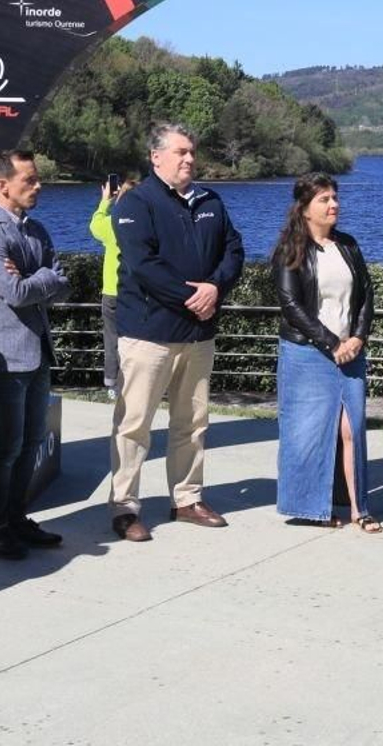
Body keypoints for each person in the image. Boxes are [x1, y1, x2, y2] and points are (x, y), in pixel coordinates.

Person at [108, 123, 244, 542]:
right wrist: (194, 296)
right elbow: (143, 265)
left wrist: (216, 287)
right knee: (134, 425)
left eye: (192, 152)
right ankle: (125, 508)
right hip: (148, 334)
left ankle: (187, 499)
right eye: (181, 152)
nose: (189, 159)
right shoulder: (135, 203)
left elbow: (234, 249)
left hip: (198, 336)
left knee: (193, 423)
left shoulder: (210, 201)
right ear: (156, 157)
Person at [0, 150, 72, 559]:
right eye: (29, 179)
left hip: (37, 353)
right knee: (8, 445)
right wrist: (45, 277)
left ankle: (16, 518)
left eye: (37, 179)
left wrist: (39, 278)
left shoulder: (37, 231)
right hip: (6, 358)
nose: (38, 185)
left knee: (30, 443)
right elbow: (14, 292)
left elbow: (63, 285)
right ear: (3, 185)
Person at [270, 173, 380, 531]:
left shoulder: (347, 244)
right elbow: (291, 305)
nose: (334, 205)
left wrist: (358, 338)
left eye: (335, 197)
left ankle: (359, 509)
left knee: (352, 429)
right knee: (307, 431)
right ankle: (310, 507)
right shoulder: (290, 249)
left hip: (351, 352)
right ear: (304, 209)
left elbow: (366, 294)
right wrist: (331, 343)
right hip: (307, 354)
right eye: (324, 200)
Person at [88, 175, 137, 397]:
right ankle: (135, 381)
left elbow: (94, 224)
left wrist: (105, 201)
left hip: (111, 292)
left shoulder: (110, 224)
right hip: (136, 293)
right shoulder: (146, 225)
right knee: (136, 340)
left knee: (111, 339)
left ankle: (112, 383)